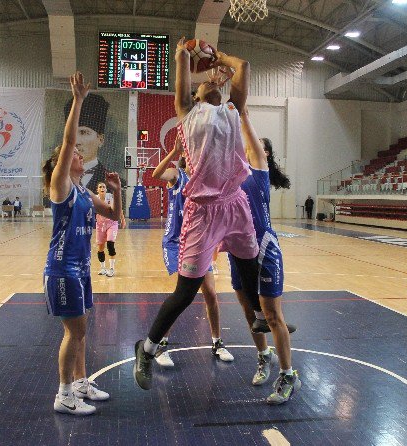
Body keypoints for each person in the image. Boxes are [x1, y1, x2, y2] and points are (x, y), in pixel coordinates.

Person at [133, 39, 283, 392]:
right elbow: (182, 79)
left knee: (248, 265)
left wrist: (221, 59)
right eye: (207, 82)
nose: (214, 82)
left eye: (217, 82)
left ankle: (260, 319)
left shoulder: (233, 110)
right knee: (186, 292)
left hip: (233, 204)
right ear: (197, 95)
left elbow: (242, 66)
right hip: (202, 212)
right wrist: (185, 53)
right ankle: (148, 347)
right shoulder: (188, 112)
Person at [42, 71, 120, 416]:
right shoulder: (60, 184)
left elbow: (115, 217)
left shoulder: (84, 191)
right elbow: (70, 141)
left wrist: (117, 194)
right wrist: (77, 100)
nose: (77, 154)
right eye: (71, 152)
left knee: (82, 331)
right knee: (76, 331)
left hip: (81, 268)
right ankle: (64, 394)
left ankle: (81, 383)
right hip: (62, 268)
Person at [232, 115, 299, 404]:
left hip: (263, 249)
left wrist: (239, 111)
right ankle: (264, 357)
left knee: (271, 316)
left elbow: (243, 129)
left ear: (265, 154)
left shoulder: (258, 171)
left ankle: (287, 375)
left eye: (257, 144)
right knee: (251, 315)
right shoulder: (233, 170)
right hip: (237, 250)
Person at [151, 137, 234, 368]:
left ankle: (217, 342)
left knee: (210, 293)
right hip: (176, 242)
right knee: (182, 295)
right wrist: (174, 151)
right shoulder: (177, 175)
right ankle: (161, 345)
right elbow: (157, 175)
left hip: (199, 243)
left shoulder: (205, 182)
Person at [94, 182, 125, 277]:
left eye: (104, 186)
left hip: (112, 223)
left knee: (110, 245)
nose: (102, 188)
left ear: (106, 189)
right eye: (100, 187)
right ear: (97, 190)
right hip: (100, 225)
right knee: (100, 248)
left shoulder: (110, 197)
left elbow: (119, 208)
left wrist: (123, 220)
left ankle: (111, 269)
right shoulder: (95, 199)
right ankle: (103, 268)